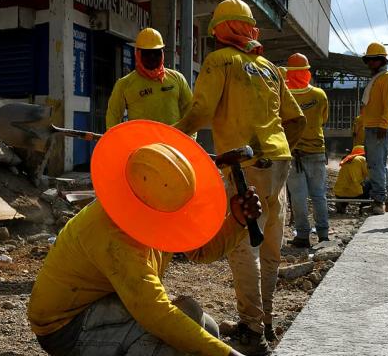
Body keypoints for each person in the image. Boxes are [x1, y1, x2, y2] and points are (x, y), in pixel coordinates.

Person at [27, 120, 262, 356]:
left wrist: (237, 221)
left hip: (106, 303)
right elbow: (156, 313)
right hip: (65, 328)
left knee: (206, 328)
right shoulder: (114, 237)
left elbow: (198, 250)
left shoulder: (157, 201)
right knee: (171, 349)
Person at [175, 0, 306, 354]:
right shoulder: (270, 68)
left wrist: (169, 137)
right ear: (249, 28)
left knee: (243, 247)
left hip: (245, 167)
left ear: (219, 30)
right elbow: (297, 120)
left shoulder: (220, 60)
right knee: (271, 244)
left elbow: (201, 111)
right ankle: (266, 321)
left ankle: (251, 330)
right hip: (278, 161)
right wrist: (278, 152)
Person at [281, 53, 330, 248]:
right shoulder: (319, 95)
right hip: (317, 151)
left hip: (293, 154)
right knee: (319, 195)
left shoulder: (284, 95)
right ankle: (323, 235)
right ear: (307, 73)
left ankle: (302, 236)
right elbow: (323, 119)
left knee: (298, 197)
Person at [106, 28, 192, 129]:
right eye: (147, 53)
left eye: (156, 52)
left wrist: (190, 136)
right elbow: (113, 116)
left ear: (162, 53)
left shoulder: (177, 79)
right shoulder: (124, 84)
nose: (152, 57)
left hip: (171, 139)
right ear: (138, 54)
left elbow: (190, 111)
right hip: (142, 139)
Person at [360, 42, 388, 215]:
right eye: (368, 60)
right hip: (373, 126)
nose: (370, 63)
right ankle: (384, 200)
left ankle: (378, 202)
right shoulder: (378, 78)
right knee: (379, 165)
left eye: (374, 60)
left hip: (380, 127)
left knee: (376, 165)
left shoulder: (387, 79)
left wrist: (383, 125)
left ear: (382, 60)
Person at [332, 146, 370, 215]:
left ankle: (341, 204)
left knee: (345, 183)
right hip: (356, 193)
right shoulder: (362, 159)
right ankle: (364, 207)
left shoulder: (346, 159)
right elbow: (369, 174)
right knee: (371, 183)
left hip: (339, 193)